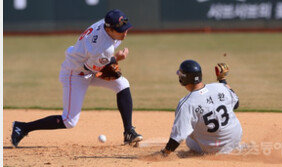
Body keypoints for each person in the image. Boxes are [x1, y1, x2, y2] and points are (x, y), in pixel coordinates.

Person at [11, 9, 143, 147]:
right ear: (109, 29)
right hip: (74, 73)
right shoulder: (103, 48)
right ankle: (22, 127)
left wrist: (109, 61)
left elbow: (96, 65)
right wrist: (116, 59)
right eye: (121, 30)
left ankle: (129, 132)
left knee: (122, 84)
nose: (125, 32)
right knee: (69, 121)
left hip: (89, 65)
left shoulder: (107, 27)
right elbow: (92, 69)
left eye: (125, 29)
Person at [160, 60, 242, 156]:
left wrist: (164, 153)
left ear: (183, 79)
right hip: (236, 139)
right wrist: (222, 79)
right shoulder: (221, 87)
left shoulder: (187, 104)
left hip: (214, 148)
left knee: (189, 139)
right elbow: (236, 104)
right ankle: (233, 147)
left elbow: (177, 137)